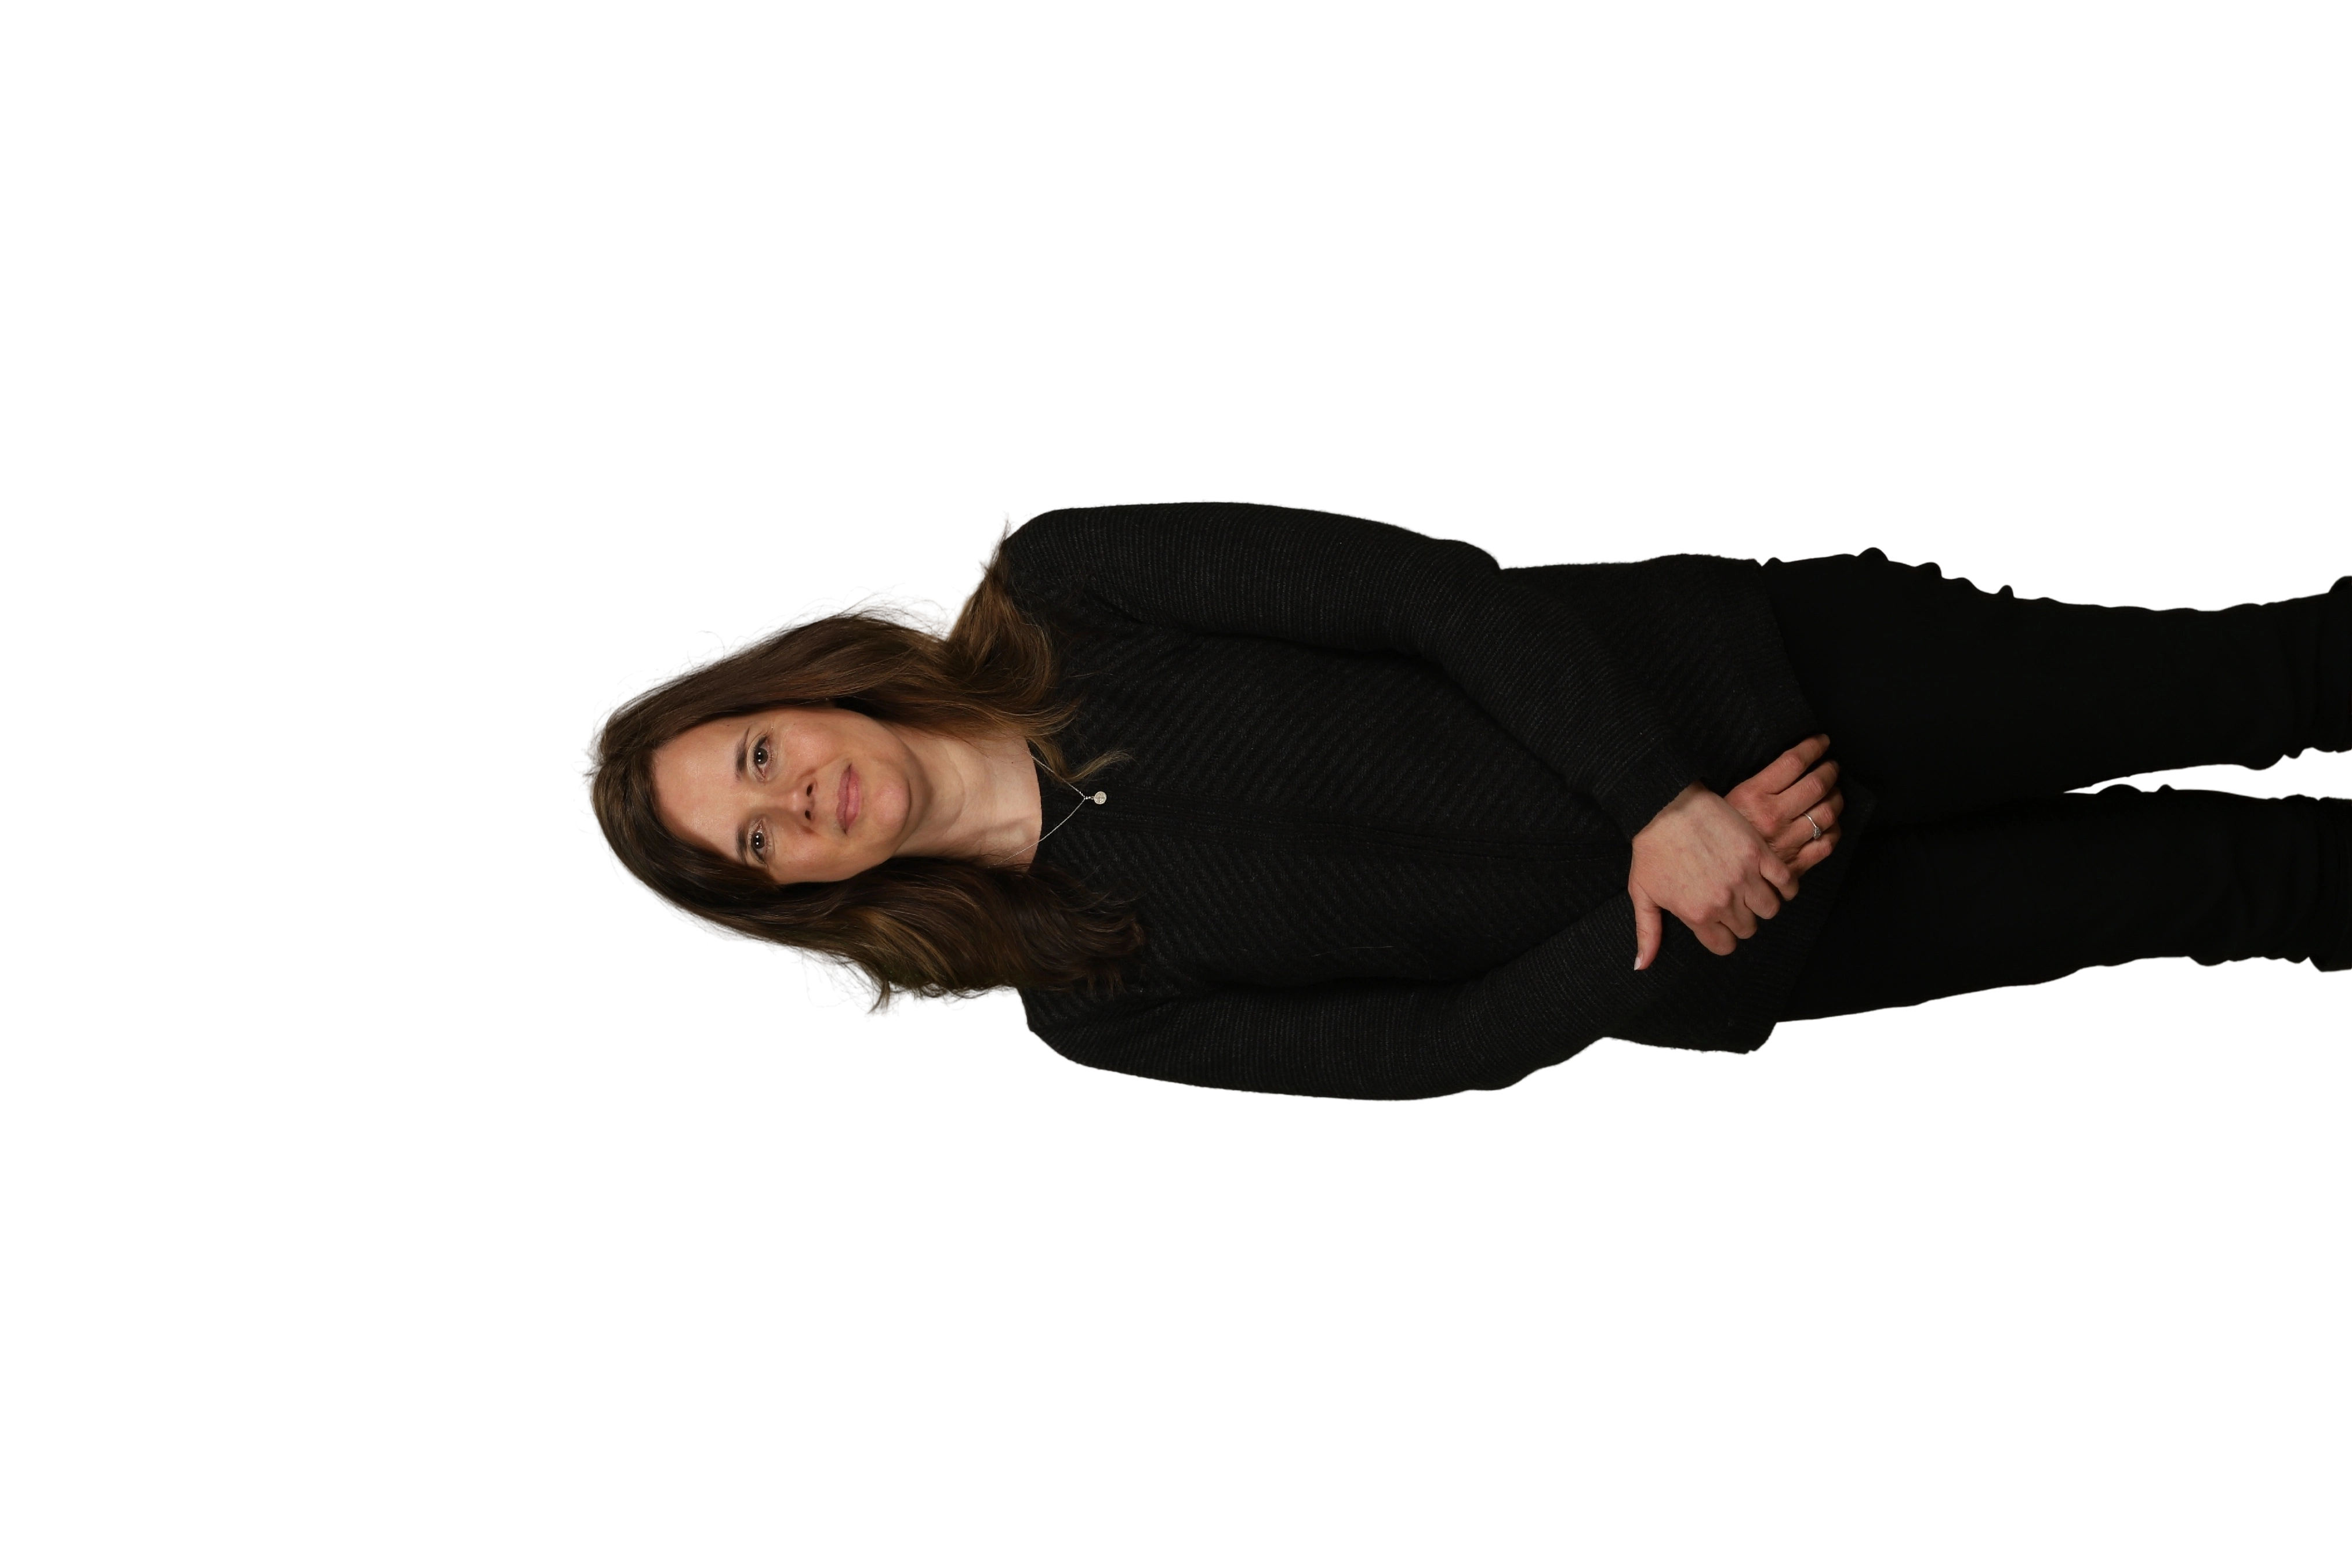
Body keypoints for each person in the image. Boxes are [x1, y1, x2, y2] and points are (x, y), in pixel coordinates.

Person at [571, 498, 2352, 1102]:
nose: (800, 803)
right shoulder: (1091, 1007)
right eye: (759, 847)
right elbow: (1425, 1045)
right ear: (801, 898)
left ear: (791, 689)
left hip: (1770, 686)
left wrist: (1664, 799)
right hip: (1742, 933)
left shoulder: (1067, 585)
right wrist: (1662, 908)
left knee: (2256, 684)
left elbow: (1425, 594)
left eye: (757, 758)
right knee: (2222, 893)